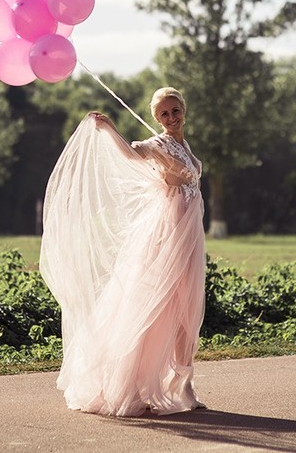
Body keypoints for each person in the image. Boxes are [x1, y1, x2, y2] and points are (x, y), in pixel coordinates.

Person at [39, 87, 207, 417]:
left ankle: (183, 385)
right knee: (152, 306)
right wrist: (110, 130)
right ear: (155, 118)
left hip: (190, 237)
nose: (171, 118)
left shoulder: (184, 146)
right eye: (163, 114)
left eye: (175, 111)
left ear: (184, 110)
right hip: (167, 235)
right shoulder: (158, 144)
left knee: (187, 311)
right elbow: (133, 152)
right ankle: (128, 383)